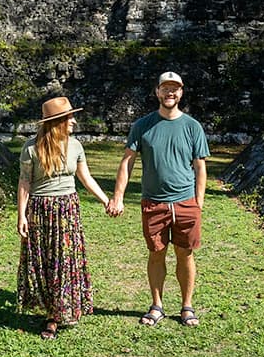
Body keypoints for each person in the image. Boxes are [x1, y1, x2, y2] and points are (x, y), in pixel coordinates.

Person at [106, 71, 209, 327]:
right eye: (165, 88)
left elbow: (200, 167)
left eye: (175, 89)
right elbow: (127, 162)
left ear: (181, 93)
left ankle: (187, 306)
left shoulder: (192, 126)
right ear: (157, 92)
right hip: (154, 202)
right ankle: (157, 305)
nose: (170, 93)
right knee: (156, 254)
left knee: (185, 254)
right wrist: (118, 197)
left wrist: (198, 202)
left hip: (185, 202)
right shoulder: (142, 126)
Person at [17, 96, 110, 339]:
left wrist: (106, 200)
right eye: (69, 117)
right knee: (46, 260)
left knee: (65, 259)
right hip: (40, 209)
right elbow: (25, 183)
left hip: (68, 208)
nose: (74, 121)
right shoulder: (31, 147)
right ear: (57, 121)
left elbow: (86, 178)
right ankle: (51, 315)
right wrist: (21, 216)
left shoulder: (75, 146)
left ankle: (64, 308)